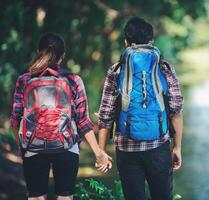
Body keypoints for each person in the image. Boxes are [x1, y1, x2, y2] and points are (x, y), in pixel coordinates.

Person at [10, 32, 112, 200]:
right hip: (67, 146)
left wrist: (23, 147)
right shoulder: (73, 80)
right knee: (65, 197)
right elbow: (83, 122)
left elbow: (15, 119)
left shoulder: (24, 80)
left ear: (39, 51)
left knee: (35, 197)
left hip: (32, 146)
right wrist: (98, 152)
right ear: (62, 56)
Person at [96, 17, 184, 200]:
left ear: (126, 42)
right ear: (151, 41)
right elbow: (176, 110)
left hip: (127, 149)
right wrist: (177, 148)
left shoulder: (116, 70)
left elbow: (105, 114)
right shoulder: (164, 67)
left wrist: (101, 151)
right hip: (158, 146)